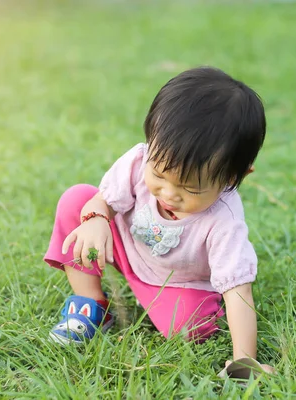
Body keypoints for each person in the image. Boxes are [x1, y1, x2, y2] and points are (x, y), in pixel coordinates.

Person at [44, 66, 274, 373]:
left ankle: (202, 305)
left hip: (177, 281)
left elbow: (239, 291)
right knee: (77, 200)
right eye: (158, 174)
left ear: (234, 178)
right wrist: (97, 217)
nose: (168, 193)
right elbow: (103, 200)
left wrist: (246, 360)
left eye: (189, 187)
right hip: (125, 251)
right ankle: (91, 303)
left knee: (190, 327)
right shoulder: (139, 159)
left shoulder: (223, 221)